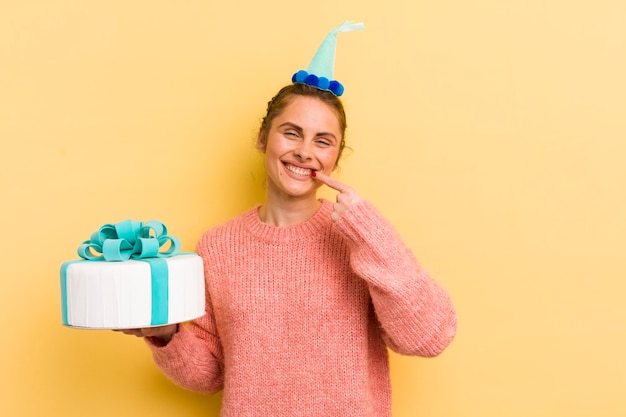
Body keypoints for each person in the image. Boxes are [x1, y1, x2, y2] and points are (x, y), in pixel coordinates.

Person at [119, 22, 456, 416]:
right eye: (291, 133)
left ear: (336, 155)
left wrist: (369, 232)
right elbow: (211, 375)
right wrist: (167, 335)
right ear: (263, 138)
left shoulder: (361, 238)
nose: (305, 152)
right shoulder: (217, 246)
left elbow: (429, 337)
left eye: (322, 141)